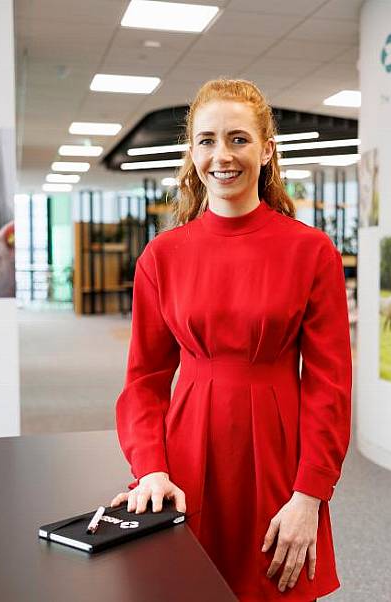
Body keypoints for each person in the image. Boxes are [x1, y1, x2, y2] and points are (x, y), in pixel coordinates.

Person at [109, 78, 353, 601]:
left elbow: (330, 386)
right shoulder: (162, 256)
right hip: (187, 458)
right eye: (207, 140)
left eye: (238, 139)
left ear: (266, 150)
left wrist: (310, 495)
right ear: (192, 150)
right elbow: (144, 381)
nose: (222, 155)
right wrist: (149, 467)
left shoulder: (311, 252)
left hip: (277, 463)